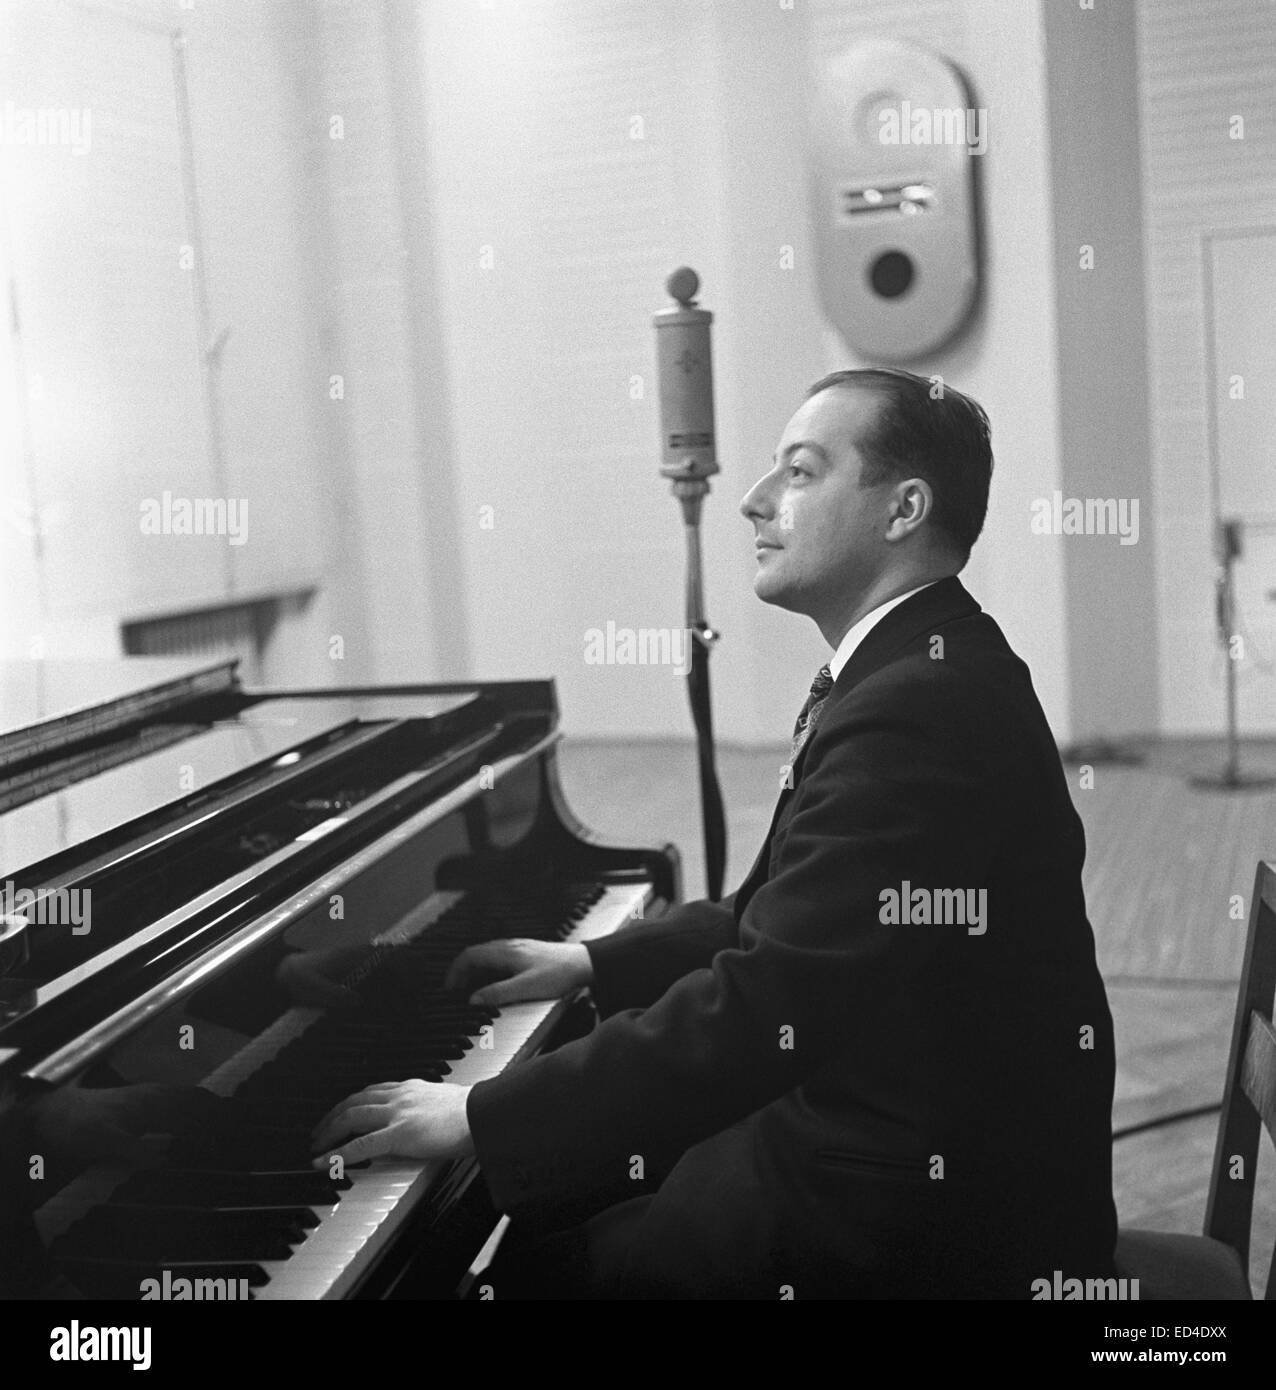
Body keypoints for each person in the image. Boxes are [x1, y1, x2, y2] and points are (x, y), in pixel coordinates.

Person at [311, 368, 1118, 1299]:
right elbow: (773, 921)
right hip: (899, 1144)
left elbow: (769, 1000)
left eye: (802, 472)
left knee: (531, 1271)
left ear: (903, 510)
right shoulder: (922, 667)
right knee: (555, 1221)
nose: (752, 499)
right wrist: (590, 966)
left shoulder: (916, 708)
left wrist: (483, 1114)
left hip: (929, 1220)